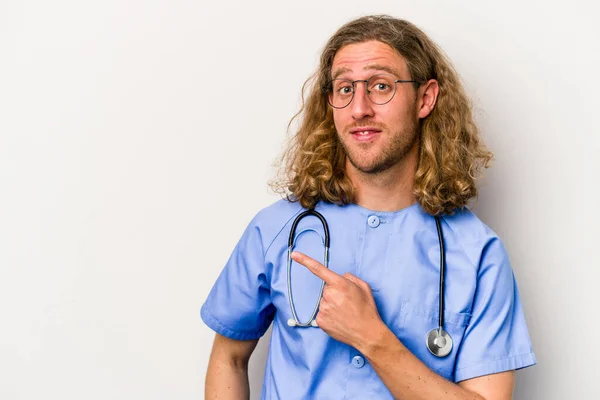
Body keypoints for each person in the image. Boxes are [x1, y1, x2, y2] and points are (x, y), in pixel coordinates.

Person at [201, 14, 536, 400]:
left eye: (380, 86)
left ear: (425, 98)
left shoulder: (478, 253)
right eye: (344, 89)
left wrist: (373, 339)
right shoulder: (277, 228)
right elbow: (229, 358)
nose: (359, 108)